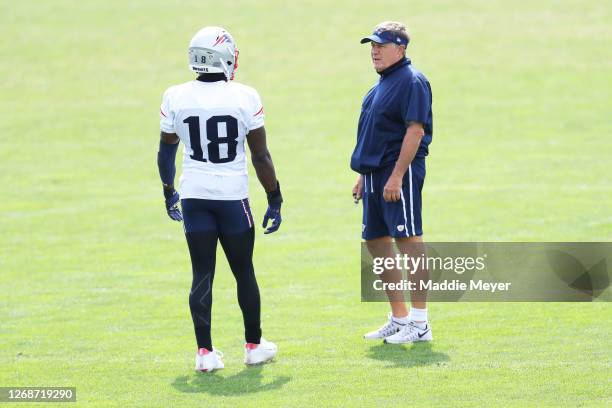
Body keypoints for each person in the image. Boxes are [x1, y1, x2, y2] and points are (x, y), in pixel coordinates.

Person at [157, 26, 282, 371]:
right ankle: (254, 345)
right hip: (232, 197)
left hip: (195, 196)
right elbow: (261, 157)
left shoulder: (175, 96)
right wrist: (275, 196)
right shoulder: (245, 96)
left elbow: (166, 152)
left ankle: (205, 353)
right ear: (224, 56)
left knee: (201, 274)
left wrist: (169, 192)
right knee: (244, 271)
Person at [351, 21, 434, 343]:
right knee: (375, 240)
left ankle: (420, 322)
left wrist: (398, 176)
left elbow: (415, 131)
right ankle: (399, 318)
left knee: (409, 241)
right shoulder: (380, 84)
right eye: (371, 45)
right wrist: (363, 175)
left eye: (381, 45)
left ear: (400, 49)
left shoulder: (412, 81)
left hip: (399, 172)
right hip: (374, 173)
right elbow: (375, 133)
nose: (374, 51)